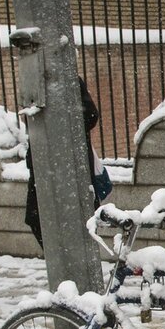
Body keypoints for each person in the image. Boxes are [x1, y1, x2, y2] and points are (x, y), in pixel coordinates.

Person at [24, 77, 109, 248]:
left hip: (69, 166)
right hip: (44, 165)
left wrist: (61, 123)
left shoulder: (67, 77)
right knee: (37, 218)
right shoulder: (35, 76)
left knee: (76, 224)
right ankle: (59, 256)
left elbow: (91, 115)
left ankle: (69, 258)